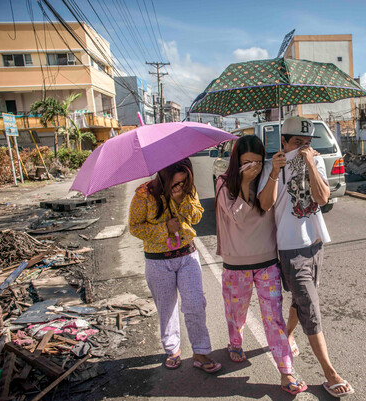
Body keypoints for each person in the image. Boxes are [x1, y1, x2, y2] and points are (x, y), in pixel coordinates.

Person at [258, 117, 355, 398]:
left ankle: (287, 334)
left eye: (308, 144)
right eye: (297, 143)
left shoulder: (317, 161)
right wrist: (276, 172)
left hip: (316, 242)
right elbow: (265, 205)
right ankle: (330, 372)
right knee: (310, 307)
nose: (302, 148)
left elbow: (323, 198)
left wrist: (311, 162)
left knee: (300, 300)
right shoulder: (271, 166)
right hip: (290, 247)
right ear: (284, 142)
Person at [215, 135, 307, 395]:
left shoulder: (268, 174)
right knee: (237, 313)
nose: (252, 167)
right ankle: (235, 342)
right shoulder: (224, 183)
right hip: (236, 264)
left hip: (267, 260)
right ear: (237, 162)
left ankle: (286, 371)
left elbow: (266, 205)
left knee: (273, 318)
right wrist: (244, 182)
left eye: (257, 162)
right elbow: (238, 217)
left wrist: (274, 172)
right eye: (246, 163)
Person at [129, 158, 221, 373]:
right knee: (167, 308)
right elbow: (134, 227)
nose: (179, 186)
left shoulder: (187, 190)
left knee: (195, 303)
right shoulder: (143, 194)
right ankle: (172, 349)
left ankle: (200, 350)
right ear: (164, 178)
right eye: (175, 183)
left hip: (187, 255)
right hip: (157, 261)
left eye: (183, 182)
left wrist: (181, 200)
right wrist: (164, 228)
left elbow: (197, 216)